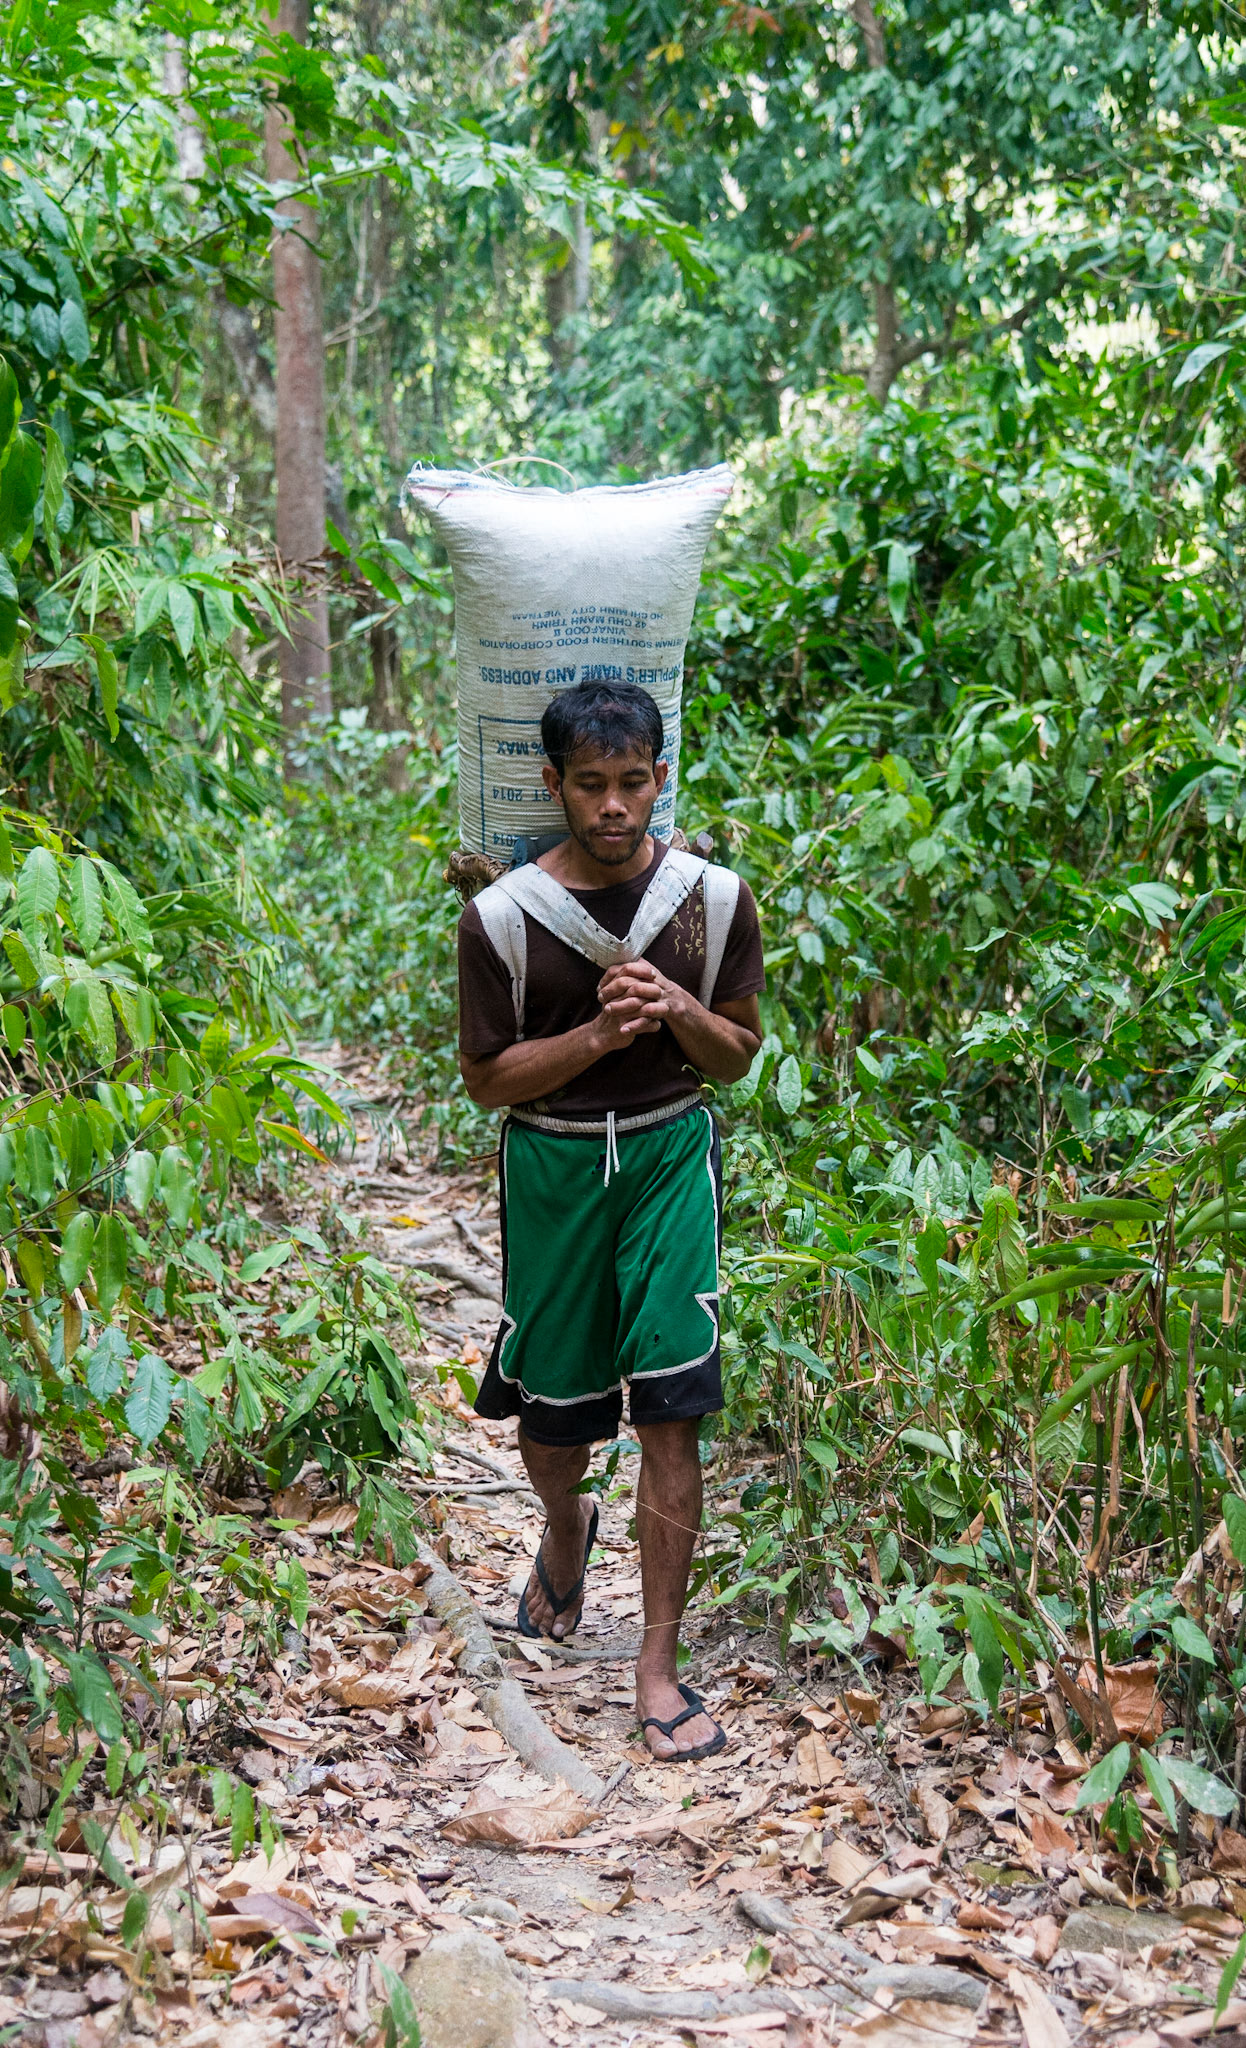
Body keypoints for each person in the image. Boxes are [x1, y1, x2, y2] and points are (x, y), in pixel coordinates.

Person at [456, 680, 764, 1763]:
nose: (614, 805)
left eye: (633, 781)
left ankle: (657, 1667)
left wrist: (677, 1009)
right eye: (591, 784)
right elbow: (487, 1081)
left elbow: (738, 1053)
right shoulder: (501, 918)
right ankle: (565, 1524)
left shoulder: (710, 901)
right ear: (554, 785)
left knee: (675, 1404)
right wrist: (593, 1037)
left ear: (660, 778)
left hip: (671, 1155)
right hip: (552, 1164)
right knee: (555, 1420)